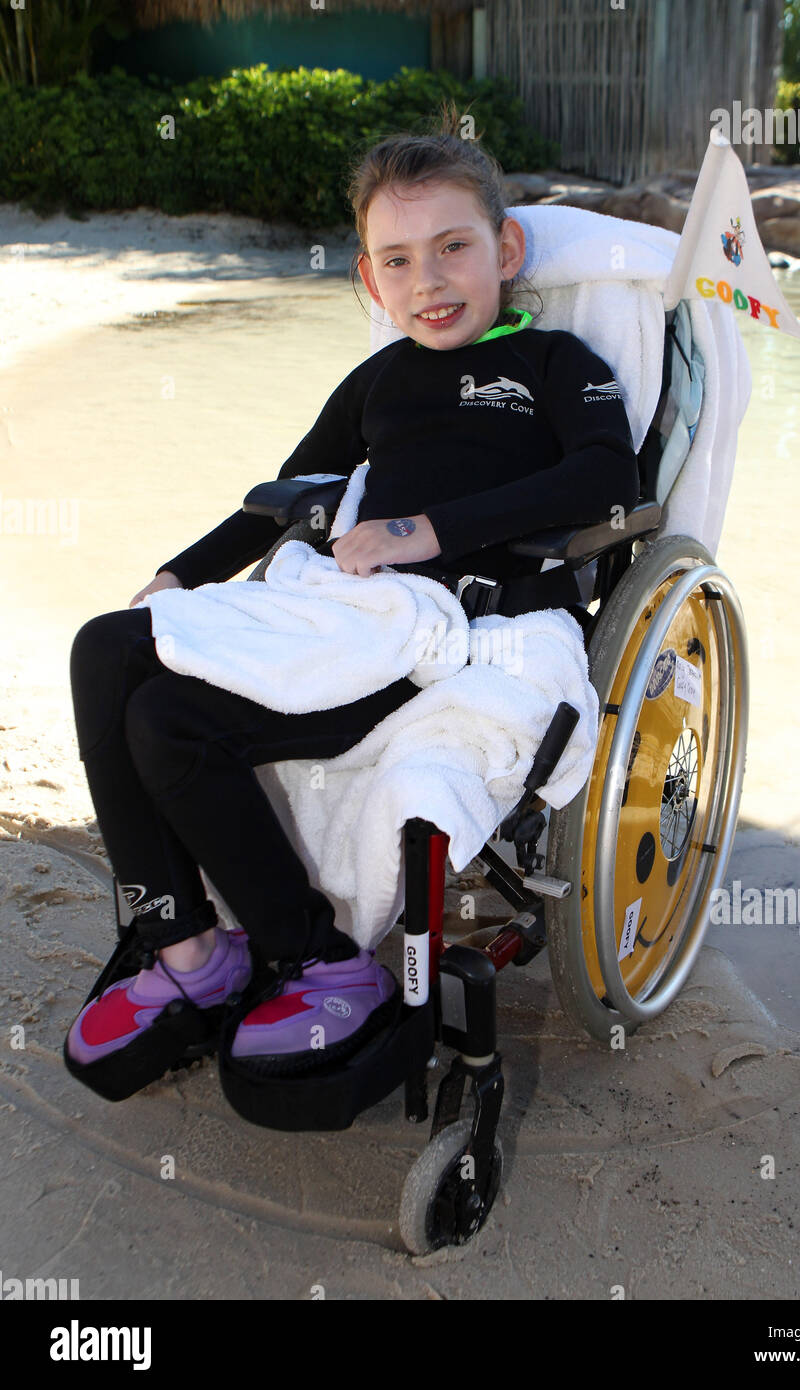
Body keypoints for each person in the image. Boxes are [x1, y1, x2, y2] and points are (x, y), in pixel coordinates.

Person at [64, 112, 640, 1098]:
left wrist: (426, 530)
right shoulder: (376, 381)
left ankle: (264, 960)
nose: (432, 280)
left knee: (125, 672)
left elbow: (608, 482)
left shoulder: (554, 365)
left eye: (455, 247)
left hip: (455, 634)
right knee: (135, 683)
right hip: (353, 619)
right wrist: (180, 573)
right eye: (401, 259)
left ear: (504, 251)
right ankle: (214, 954)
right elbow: (291, 495)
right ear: (371, 280)